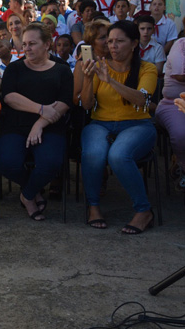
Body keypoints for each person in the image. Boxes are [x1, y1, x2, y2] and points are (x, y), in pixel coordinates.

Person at [79, 20, 158, 233]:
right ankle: (93, 207)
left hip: (137, 124)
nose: (112, 46)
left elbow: (142, 100)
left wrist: (111, 81)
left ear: (133, 44)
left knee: (118, 155)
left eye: (119, 41)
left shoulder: (147, 68)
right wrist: (88, 79)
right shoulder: (100, 66)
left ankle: (143, 211)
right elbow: (86, 105)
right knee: (93, 154)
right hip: (101, 123)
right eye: (110, 40)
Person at [0, 23, 73, 221]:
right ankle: (33, 190)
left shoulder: (63, 70)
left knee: (51, 163)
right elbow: (10, 97)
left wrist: (40, 123)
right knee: (6, 162)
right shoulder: (15, 68)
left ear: (47, 44)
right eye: (24, 44)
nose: (27, 48)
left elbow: (64, 102)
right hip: (15, 126)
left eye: (32, 44)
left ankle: (27, 195)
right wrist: (41, 108)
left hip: (50, 127)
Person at [156, 38, 185, 189]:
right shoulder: (180, 45)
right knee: (181, 134)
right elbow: (181, 75)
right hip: (173, 103)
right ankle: (182, 164)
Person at [72, 19, 111, 102]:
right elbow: (76, 97)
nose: (108, 40)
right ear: (92, 42)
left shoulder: (117, 59)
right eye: (102, 37)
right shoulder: (83, 63)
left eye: (109, 35)